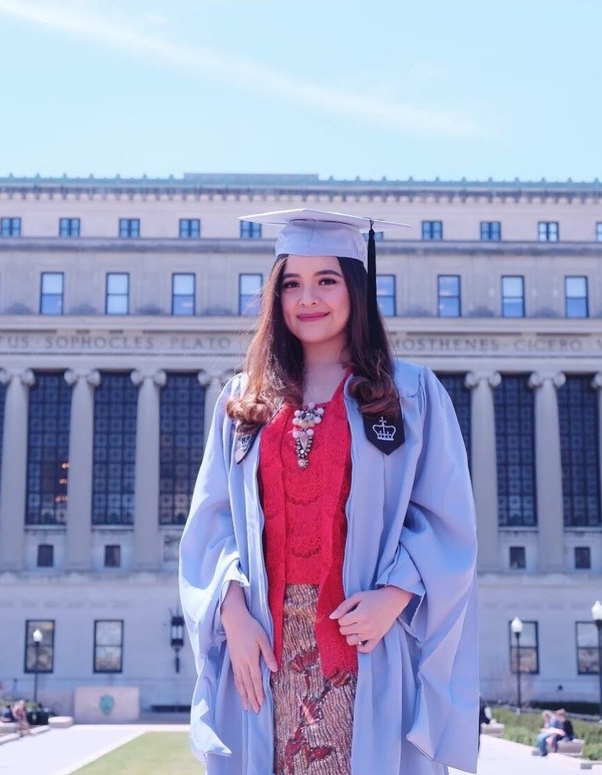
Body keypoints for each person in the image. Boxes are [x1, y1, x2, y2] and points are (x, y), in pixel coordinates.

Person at [179, 209, 479, 775]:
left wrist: (395, 595)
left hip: (365, 640)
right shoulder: (245, 401)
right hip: (264, 649)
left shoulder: (409, 393)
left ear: (355, 289)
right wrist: (233, 614)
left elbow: (446, 519)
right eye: (291, 283)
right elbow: (212, 523)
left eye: (326, 280)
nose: (308, 298)